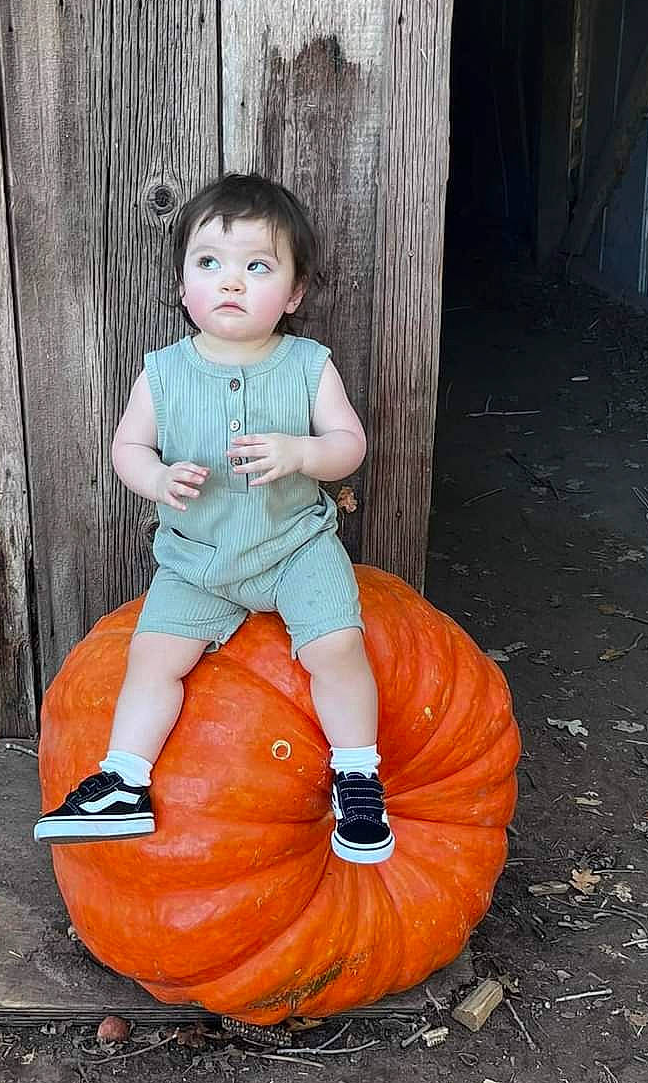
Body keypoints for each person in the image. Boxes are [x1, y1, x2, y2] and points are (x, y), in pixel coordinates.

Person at [33, 173, 395, 864]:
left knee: (337, 646)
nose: (231, 281)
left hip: (294, 548)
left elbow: (349, 445)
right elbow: (128, 447)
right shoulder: (163, 374)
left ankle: (357, 774)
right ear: (182, 286)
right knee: (152, 658)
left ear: (293, 293)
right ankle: (125, 780)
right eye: (209, 263)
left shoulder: (308, 366)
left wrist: (302, 452)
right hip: (197, 558)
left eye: (257, 267)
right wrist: (156, 477)